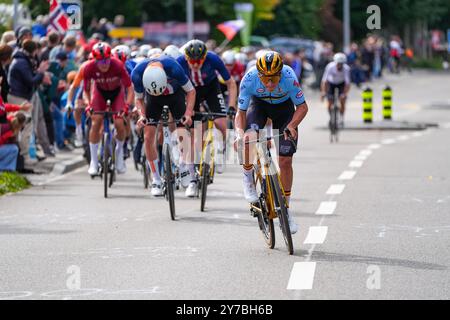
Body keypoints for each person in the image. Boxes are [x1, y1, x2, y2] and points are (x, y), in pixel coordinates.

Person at [235, 51, 308, 234]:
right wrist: (238, 133)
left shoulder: (289, 77)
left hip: (284, 110)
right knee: (249, 138)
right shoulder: (249, 78)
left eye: (273, 79)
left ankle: (286, 211)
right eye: (265, 79)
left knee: (285, 160)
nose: (269, 83)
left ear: (280, 74)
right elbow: (241, 113)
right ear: (259, 75)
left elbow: (302, 107)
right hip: (258, 106)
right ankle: (248, 177)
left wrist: (292, 125)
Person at [177, 39, 237, 194]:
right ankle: (192, 180)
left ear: (204, 58)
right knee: (195, 137)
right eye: (192, 61)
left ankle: (221, 151)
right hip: (191, 93)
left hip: (211, 89)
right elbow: (176, 89)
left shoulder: (213, 58)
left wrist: (231, 106)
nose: (195, 65)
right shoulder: (180, 62)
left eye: (199, 61)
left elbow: (230, 83)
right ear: (186, 58)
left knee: (222, 123)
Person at [132, 54, 195, 197]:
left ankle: (186, 169)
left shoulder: (173, 68)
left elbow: (191, 91)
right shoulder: (137, 73)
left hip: (175, 96)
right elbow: (139, 99)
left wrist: (189, 113)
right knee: (148, 136)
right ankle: (156, 179)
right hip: (153, 100)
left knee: (182, 133)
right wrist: (142, 115)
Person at [82, 42, 134, 176]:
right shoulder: (89, 68)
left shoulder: (117, 65)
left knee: (119, 122)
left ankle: (119, 152)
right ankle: (93, 161)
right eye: (100, 61)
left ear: (110, 57)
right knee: (96, 120)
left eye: (106, 60)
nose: (104, 64)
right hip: (99, 93)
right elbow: (86, 90)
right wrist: (88, 104)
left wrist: (127, 105)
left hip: (117, 93)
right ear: (94, 60)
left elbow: (129, 87)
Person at [320, 53, 351, 127]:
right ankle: (331, 117)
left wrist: (345, 94)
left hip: (341, 83)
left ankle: (341, 117)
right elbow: (324, 81)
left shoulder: (346, 68)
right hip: (331, 83)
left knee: (342, 101)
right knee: (329, 102)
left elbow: (348, 83)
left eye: (341, 64)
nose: (339, 66)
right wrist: (323, 92)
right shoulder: (330, 67)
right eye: (338, 64)